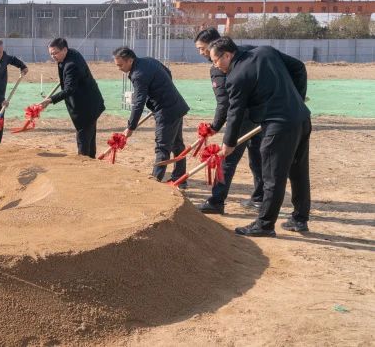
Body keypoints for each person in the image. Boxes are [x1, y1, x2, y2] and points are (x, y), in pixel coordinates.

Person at [209, 37, 311, 237]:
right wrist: (297, 98)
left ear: (227, 55)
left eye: (215, 61)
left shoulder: (235, 77)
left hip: (278, 125)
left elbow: (235, 112)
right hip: (301, 118)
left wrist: (228, 144)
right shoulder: (266, 51)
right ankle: (300, 219)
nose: (215, 66)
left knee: (272, 176)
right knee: (298, 172)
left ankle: (264, 225)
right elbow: (299, 67)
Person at [193, 28, 263, 214]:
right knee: (258, 157)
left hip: (243, 117)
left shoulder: (218, 68)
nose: (201, 53)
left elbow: (225, 103)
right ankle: (260, 198)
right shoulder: (247, 51)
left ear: (214, 44)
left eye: (202, 48)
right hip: (262, 113)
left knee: (227, 159)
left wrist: (215, 127)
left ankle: (216, 201)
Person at [112, 47, 190, 184]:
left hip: (166, 111)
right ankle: (180, 178)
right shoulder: (148, 60)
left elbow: (138, 103)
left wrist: (130, 127)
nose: (118, 68)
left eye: (120, 65)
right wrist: (161, 91)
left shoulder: (138, 75)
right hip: (176, 105)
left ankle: (155, 182)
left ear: (130, 60)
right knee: (177, 145)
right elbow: (168, 73)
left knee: (162, 147)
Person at [39, 38, 103, 157]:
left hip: (86, 106)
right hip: (92, 101)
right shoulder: (72, 53)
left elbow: (69, 89)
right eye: (51, 54)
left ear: (64, 50)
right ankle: (91, 160)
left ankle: (83, 161)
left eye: (55, 53)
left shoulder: (71, 65)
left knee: (83, 136)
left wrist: (50, 100)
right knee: (90, 135)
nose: (53, 56)